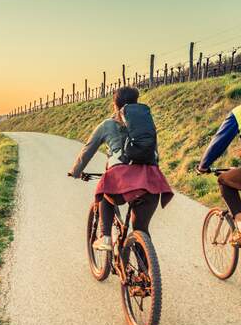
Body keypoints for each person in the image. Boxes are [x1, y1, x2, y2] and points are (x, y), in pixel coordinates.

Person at [68, 86, 173, 250]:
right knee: (141, 229)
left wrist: (75, 171)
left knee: (103, 192)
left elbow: (88, 149)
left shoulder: (107, 125)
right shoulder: (145, 124)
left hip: (122, 179)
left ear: (114, 105)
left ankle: (106, 237)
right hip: (151, 179)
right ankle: (147, 273)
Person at [197, 104, 241, 243]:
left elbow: (219, 142)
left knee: (223, 180)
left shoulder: (238, 112)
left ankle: (240, 226)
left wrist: (203, 165)